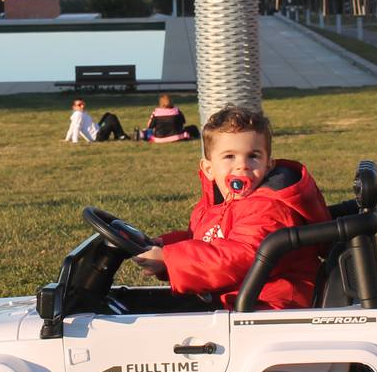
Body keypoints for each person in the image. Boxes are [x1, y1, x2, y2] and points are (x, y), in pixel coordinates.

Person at [132, 105, 330, 309]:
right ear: (209, 169)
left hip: (272, 306)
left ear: (268, 165)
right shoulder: (214, 206)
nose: (242, 165)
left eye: (253, 156)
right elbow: (204, 240)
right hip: (239, 299)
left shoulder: (268, 208)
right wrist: (164, 245)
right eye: (229, 157)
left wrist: (170, 258)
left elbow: (238, 258)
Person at [63, 98, 129, 142]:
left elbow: (71, 127)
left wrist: (67, 139)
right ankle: (121, 136)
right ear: (74, 107)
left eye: (83, 104)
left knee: (107, 115)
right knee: (111, 117)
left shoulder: (80, 114)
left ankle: (118, 135)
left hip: (98, 130)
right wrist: (75, 141)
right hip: (98, 137)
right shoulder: (78, 114)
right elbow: (76, 128)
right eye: (80, 105)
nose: (82, 106)